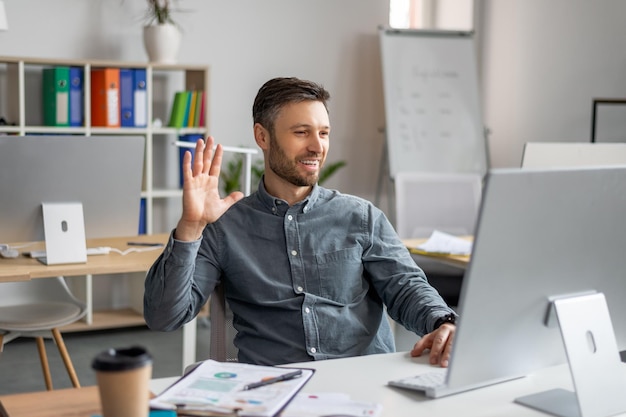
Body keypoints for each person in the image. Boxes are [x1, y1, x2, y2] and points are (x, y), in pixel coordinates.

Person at [144, 77, 457, 367]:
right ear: (262, 136)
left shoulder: (361, 217)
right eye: (301, 132)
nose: (317, 146)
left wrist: (443, 322)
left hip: (359, 381)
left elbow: (407, 287)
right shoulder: (225, 227)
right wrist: (190, 228)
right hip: (271, 388)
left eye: (323, 133)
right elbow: (163, 317)